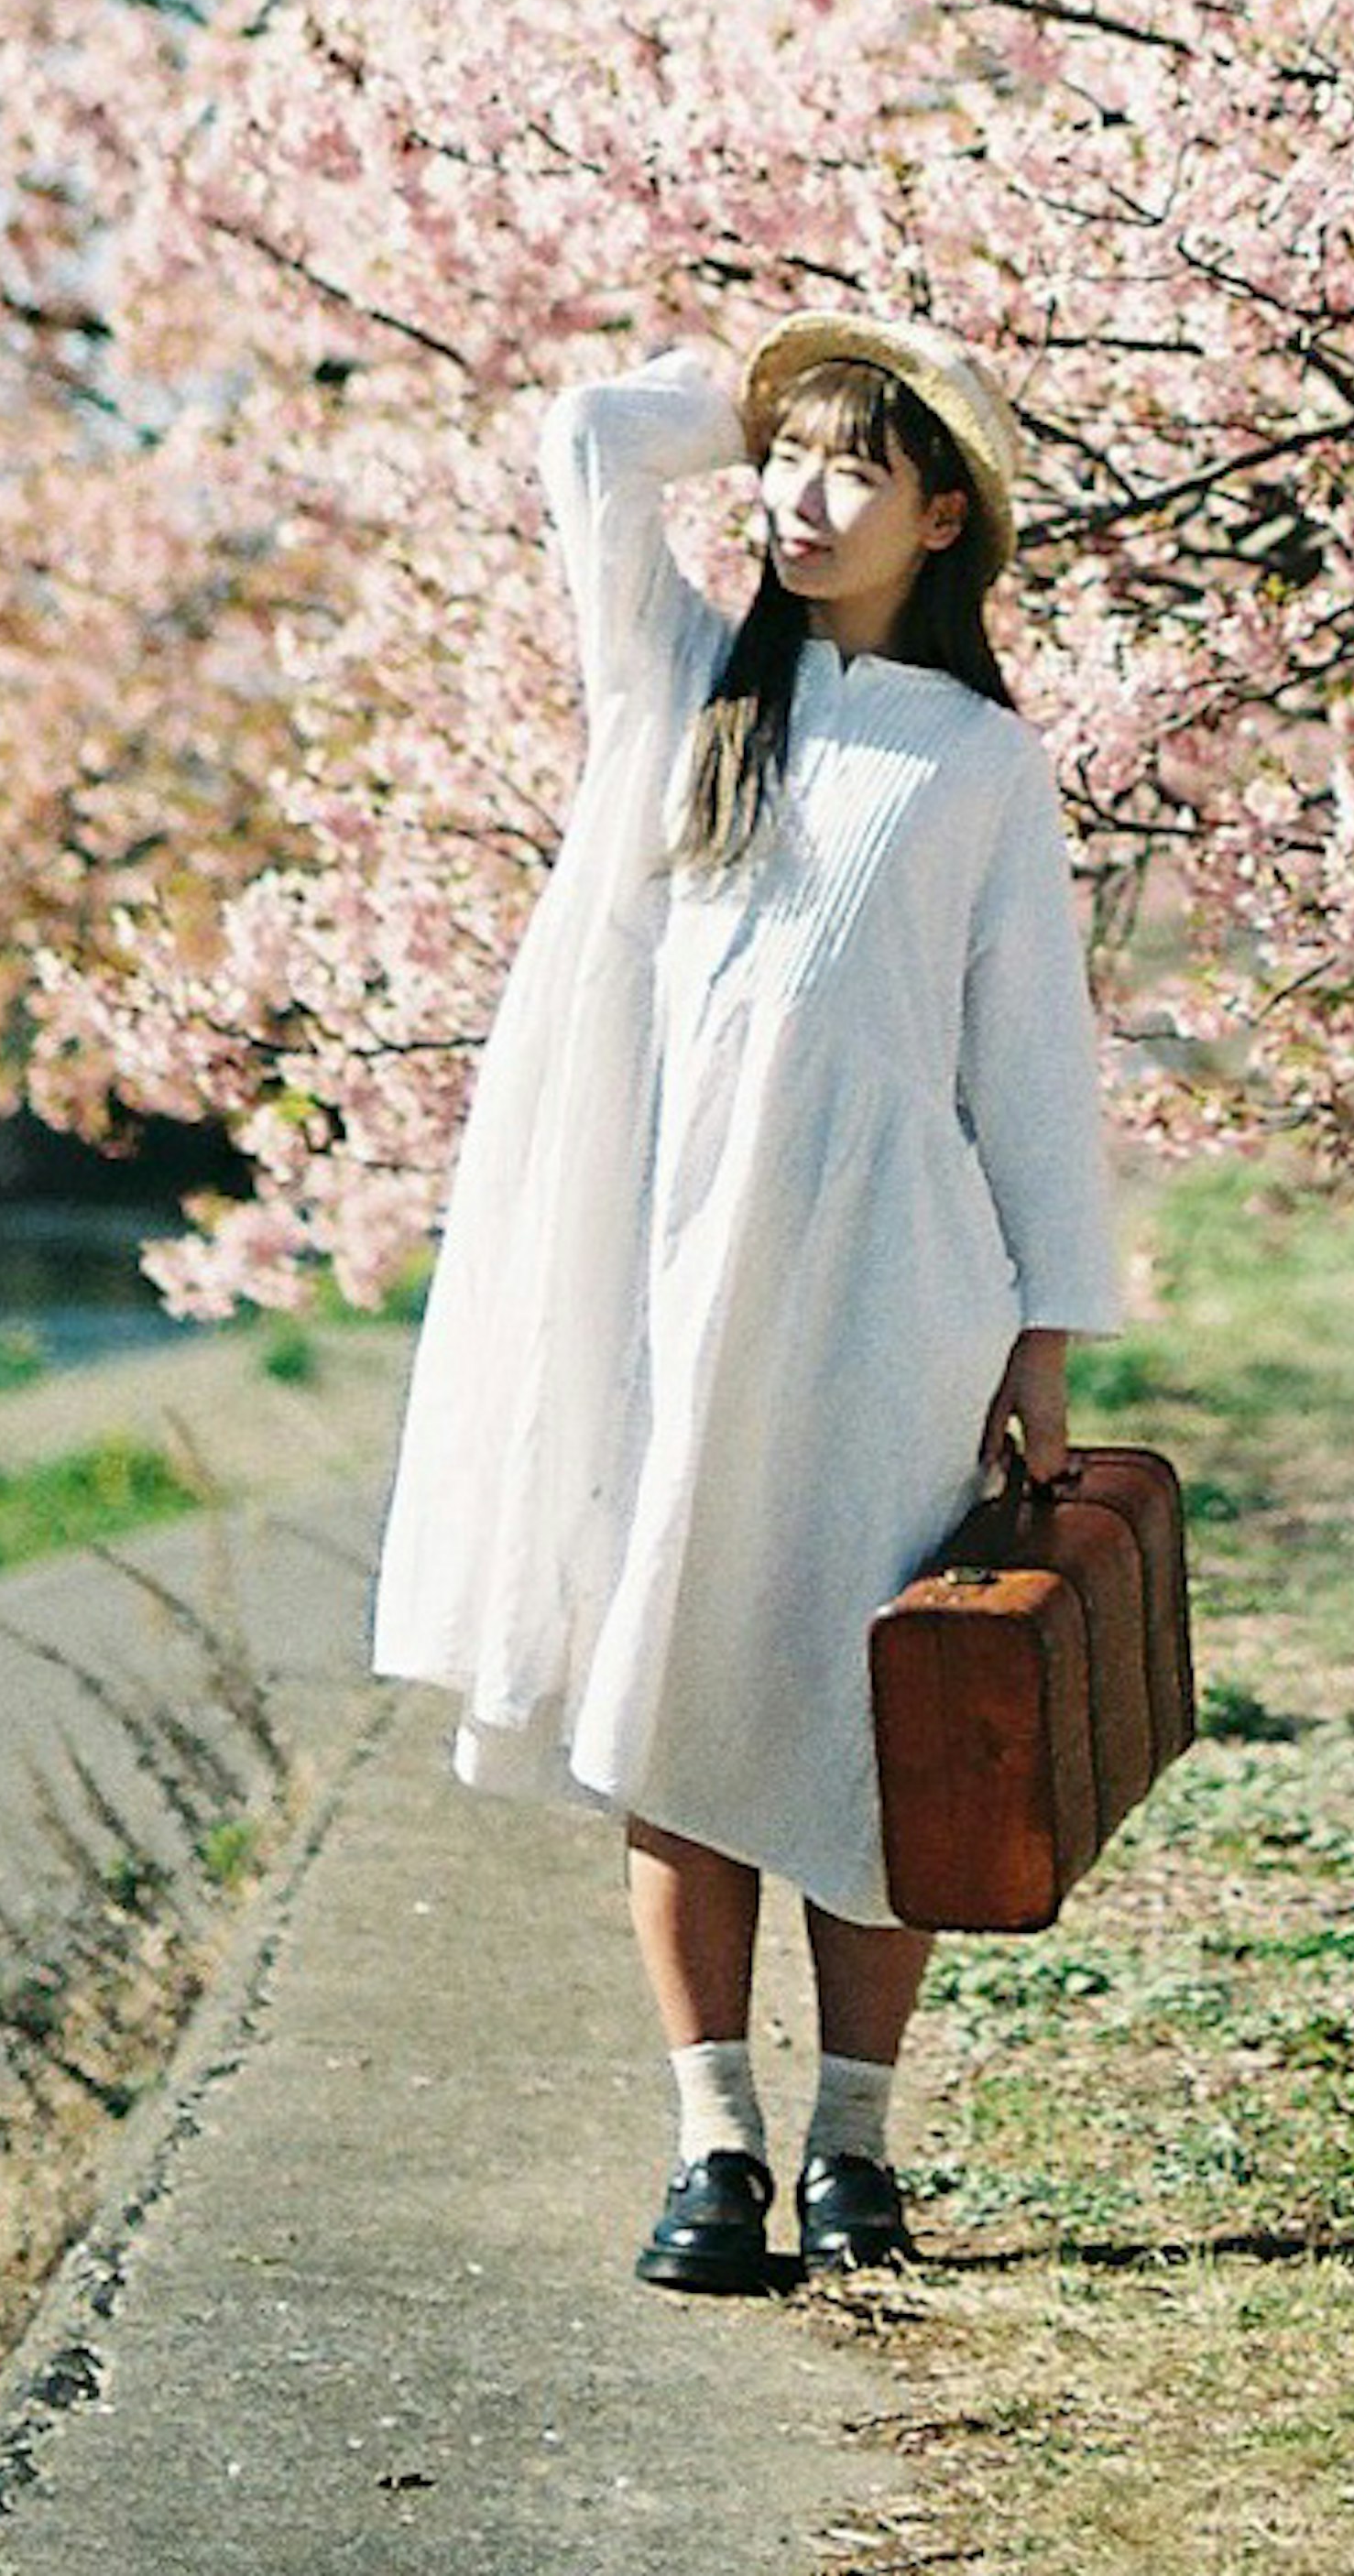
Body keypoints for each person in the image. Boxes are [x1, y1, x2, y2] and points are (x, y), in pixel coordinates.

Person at [371, 305, 1122, 2296]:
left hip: (892, 1280)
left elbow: (1025, 1051)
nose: (800, 497)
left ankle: (859, 2145)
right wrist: (763, 394)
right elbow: (587, 444)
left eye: (856, 467)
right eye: (788, 461)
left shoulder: (979, 759)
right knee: (671, 1676)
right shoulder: (691, 684)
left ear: (943, 515)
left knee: (883, 1712)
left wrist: (1042, 1332)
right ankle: (714, 2140)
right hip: (659, 1264)